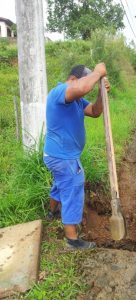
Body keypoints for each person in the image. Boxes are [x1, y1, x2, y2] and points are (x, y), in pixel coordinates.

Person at [43, 63, 110, 249]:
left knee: (60, 184)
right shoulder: (61, 91)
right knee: (73, 186)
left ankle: (52, 213)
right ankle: (72, 241)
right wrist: (98, 73)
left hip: (58, 155)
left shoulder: (77, 101)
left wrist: (100, 93)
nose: (85, 92)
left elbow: (95, 112)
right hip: (63, 157)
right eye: (84, 82)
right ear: (73, 78)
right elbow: (82, 87)